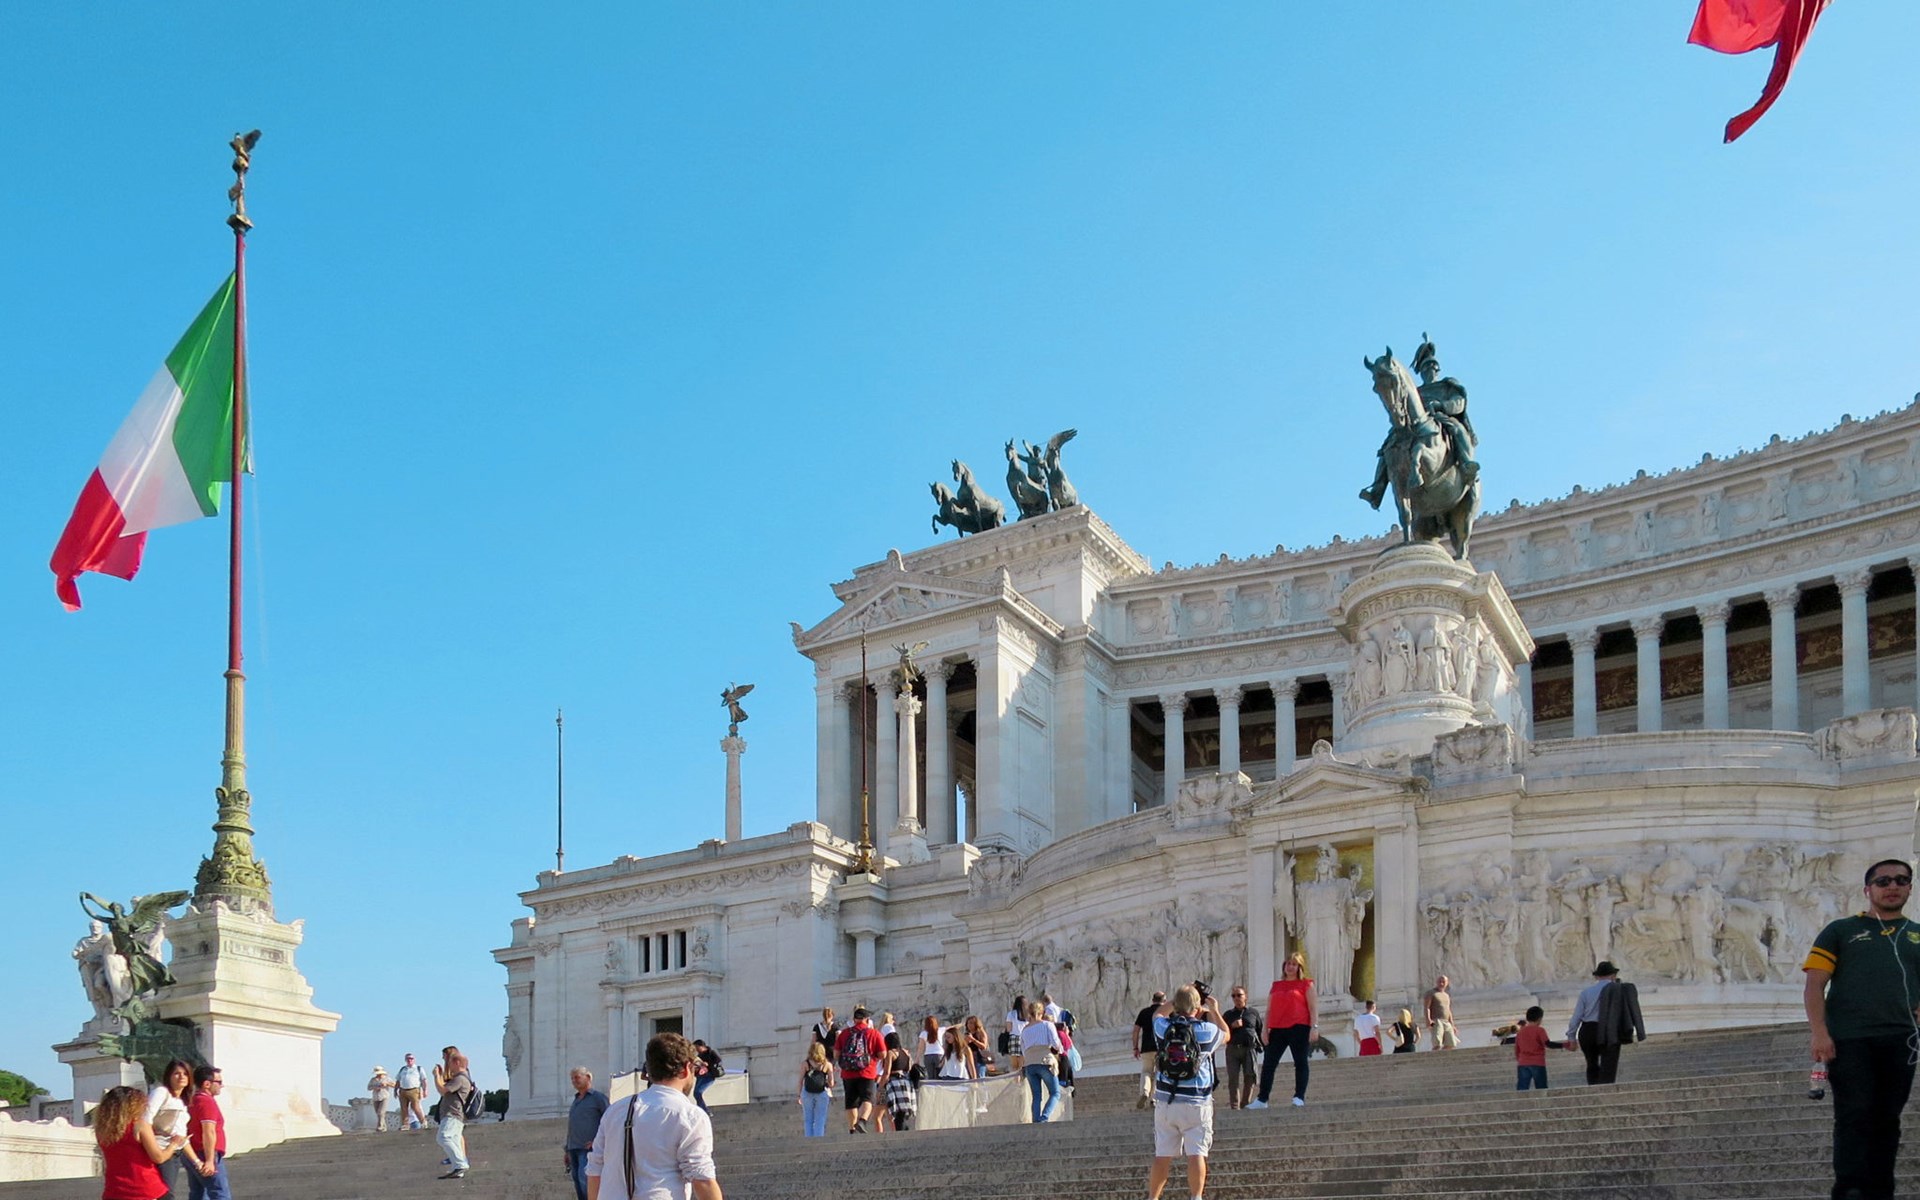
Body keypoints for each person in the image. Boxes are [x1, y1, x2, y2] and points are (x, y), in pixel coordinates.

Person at [1806, 857, 1920, 1200]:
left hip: (1902, 1039)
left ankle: (1882, 1191)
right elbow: (1814, 984)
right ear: (1867, 890)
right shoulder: (1840, 930)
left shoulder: (1917, 934)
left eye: (1901, 880)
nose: (1892, 886)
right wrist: (1819, 1032)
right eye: (1883, 881)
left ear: (1910, 888)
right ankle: (1850, 1189)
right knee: (1854, 1112)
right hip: (1849, 1039)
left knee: (1888, 1118)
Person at [585, 1032, 724, 1200]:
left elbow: (595, 1171)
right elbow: (702, 1180)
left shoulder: (615, 1110)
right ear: (686, 1069)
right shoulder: (690, 1115)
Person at [1146, 984, 1226, 1200]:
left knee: (1162, 1155)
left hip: (1166, 1101)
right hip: (1196, 1102)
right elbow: (1226, 1034)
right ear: (1198, 1007)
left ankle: (1153, 1197)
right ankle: (1196, 1197)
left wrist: (1176, 1001)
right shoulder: (1206, 1031)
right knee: (1197, 1154)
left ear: (1176, 1006)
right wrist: (1214, 1010)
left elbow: (1157, 1014)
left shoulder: (1163, 1028)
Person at [96, 1084, 187, 1200]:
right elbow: (159, 1157)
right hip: (146, 1189)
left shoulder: (102, 1130)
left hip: (114, 1190)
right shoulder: (139, 1125)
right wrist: (173, 1145)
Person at [1251, 953, 1317, 1108]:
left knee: (1300, 1062)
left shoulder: (1306, 984)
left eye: (1294, 964)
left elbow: (1313, 1008)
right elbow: (1269, 1010)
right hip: (1277, 1028)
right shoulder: (1276, 985)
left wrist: (1314, 1027)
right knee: (1269, 1063)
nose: (1290, 967)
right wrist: (1264, 1030)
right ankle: (1262, 1099)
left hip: (1299, 1026)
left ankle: (1299, 1096)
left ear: (1299, 967)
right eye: (1288, 963)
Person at [1565, 961, 1645, 1085]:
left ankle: (1593, 1089)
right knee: (1609, 1066)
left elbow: (1576, 1017)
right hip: (1610, 1030)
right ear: (1613, 975)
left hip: (1588, 1030)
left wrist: (1571, 1037)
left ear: (1597, 976)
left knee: (1591, 1064)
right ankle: (1606, 1090)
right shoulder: (1619, 990)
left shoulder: (1586, 992)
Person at [834, 1007, 887, 1133]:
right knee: (868, 1099)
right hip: (867, 1072)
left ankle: (852, 1128)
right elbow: (883, 1054)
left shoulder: (844, 1034)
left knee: (851, 1102)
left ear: (854, 1020)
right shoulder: (874, 1033)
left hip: (848, 1073)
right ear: (867, 1020)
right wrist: (874, 1058)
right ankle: (862, 1121)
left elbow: (836, 1054)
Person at [144, 1059, 193, 1195]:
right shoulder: (161, 1092)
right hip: (159, 1149)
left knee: (165, 1193)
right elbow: (146, 1118)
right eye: (176, 1073)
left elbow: (181, 1137)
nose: (181, 1077)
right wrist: (152, 1146)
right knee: (164, 1194)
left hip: (174, 1153)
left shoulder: (182, 1102)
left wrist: (197, 1161)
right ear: (169, 1076)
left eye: (185, 1074)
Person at [184, 1064, 229, 1200]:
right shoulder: (206, 1102)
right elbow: (208, 1131)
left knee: (198, 1194)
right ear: (207, 1084)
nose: (222, 1085)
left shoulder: (192, 1101)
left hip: (192, 1153)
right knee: (220, 1194)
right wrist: (210, 1160)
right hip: (204, 1153)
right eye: (219, 1082)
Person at [564, 1067, 609, 1200]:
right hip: (573, 1148)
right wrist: (567, 1149)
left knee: (586, 1182)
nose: (574, 1081)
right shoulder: (576, 1100)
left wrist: (597, 1141)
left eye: (577, 1077)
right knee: (578, 1183)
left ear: (588, 1077)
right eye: (572, 1078)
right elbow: (572, 1125)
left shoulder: (598, 1098)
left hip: (588, 1149)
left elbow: (609, 1120)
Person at [1018, 998, 1065, 1124]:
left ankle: (1035, 1120)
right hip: (1045, 1061)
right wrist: (1060, 1050)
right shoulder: (1047, 1025)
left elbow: (1023, 1049)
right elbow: (1055, 1043)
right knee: (1055, 1092)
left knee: (1036, 1096)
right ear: (1042, 1012)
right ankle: (1044, 1117)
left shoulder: (1024, 1030)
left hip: (1029, 1064)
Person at [432, 1046, 474, 1179]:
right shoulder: (462, 1078)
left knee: (444, 1137)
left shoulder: (460, 1079)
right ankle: (458, 1169)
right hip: (454, 1114)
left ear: (457, 1063)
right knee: (454, 1140)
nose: (448, 1066)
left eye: (450, 1063)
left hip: (453, 1113)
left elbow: (442, 1090)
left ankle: (460, 1164)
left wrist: (436, 1076)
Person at [1220, 985, 1263, 1108]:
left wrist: (1262, 1045)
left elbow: (1259, 1029)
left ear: (1245, 997)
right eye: (1233, 996)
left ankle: (1245, 1103)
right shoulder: (1228, 1014)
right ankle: (1234, 1105)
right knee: (1233, 1078)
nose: (1236, 998)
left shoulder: (1253, 1013)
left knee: (1250, 1076)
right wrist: (1232, 1026)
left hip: (1249, 1048)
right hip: (1233, 1049)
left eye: (1239, 995)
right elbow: (1222, 1032)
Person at [1513, 1006, 1565, 1090]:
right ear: (1539, 1018)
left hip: (1523, 1063)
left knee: (1522, 1088)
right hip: (1537, 1062)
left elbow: (1517, 1049)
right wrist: (1564, 1045)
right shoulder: (1540, 1030)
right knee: (1541, 1088)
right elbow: (1548, 1044)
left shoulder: (1520, 1032)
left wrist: (1519, 1060)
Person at [1132, 990, 1167, 1110]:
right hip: (1161, 1047)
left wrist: (1135, 1047)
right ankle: (1154, 1098)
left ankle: (1145, 1092)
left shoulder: (1144, 1012)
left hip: (1146, 1048)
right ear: (1164, 1001)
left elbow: (1136, 1030)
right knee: (1159, 1072)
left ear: (1152, 1000)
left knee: (1146, 1071)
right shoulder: (1166, 1012)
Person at [797, 1042, 835, 1137]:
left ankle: (809, 1139)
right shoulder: (827, 1065)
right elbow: (831, 1083)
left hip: (807, 1092)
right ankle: (819, 1139)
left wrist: (799, 1095)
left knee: (808, 1119)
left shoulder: (805, 1064)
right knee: (820, 1118)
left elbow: (800, 1081)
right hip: (821, 1093)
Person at [882, 1032, 918, 1132]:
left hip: (894, 1084)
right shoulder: (906, 1052)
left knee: (897, 1113)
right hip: (906, 1083)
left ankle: (901, 1132)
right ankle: (905, 1131)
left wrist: (880, 1087)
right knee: (904, 1113)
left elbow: (886, 1072)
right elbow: (909, 1068)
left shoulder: (890, 1053)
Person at [394, 1053, 429, 1131]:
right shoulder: (403, 1069)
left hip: (414, 1090)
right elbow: (398, 1080)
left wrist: (425, 1090)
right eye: (408, 1059)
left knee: (415, 1106)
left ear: (414, 1059)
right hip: (403, 1090)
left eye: (411, 1058)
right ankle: (405, 1124)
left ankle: (423, 1122)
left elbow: (424, 1080)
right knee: (404, 1108)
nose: (409, 1060)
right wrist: (395, 1090)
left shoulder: (418, 1069)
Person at [1423, 975, 1459, 1050]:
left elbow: (1448, 1010)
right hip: (1436, 1021)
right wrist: (1428, 1020)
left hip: (1446, 1021)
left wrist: (1452, 1025)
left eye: (1443, 982)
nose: (1441, 983)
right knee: (1437, 1043)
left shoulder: (1446, 995)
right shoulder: (1431, 993)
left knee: (1451, 1043)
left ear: (1447, 983)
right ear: (1436, 982)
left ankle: (1443, 1055)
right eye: (1439, 981)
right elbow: (1427, 1007)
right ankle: (1435, 1056)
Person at [690, 1040, 723, 1112]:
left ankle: (705, 1110)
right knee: (696, 1093)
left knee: (698, 1092)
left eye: (697, 1047)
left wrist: (708, 1064)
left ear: (702, 1046)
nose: (696, 1049)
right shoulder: (699, 1056)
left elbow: (718, 1061)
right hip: (700, 1076)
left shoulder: (711, 1052)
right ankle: (701, 1109)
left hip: (709, 1076)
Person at [366, 1066, 393, 1134]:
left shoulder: (387, 1078)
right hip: (376, 1097)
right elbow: (369, 1087)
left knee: (381, 1112)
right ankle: (384, 1127)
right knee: (378, 1113)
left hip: (384, 1097)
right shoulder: (373, 1079)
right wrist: (375, 1087)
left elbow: (394, 1085)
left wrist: (387, 1084)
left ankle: (380, 1127)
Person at [1004, 994, 1028, 1070]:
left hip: (1014, 1038)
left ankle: (1016, 1077)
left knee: (1014, 1065)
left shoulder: (1011, 1014)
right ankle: (1022, 1076)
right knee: (1022, 1063)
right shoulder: (1027, 1015)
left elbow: (1009, 1029)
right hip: (1024, 1038)